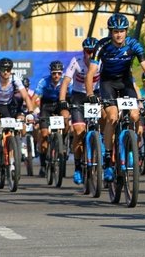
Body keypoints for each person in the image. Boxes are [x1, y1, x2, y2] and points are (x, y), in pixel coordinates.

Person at [85, 13, 145, 184]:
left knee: (135, 115)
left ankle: (131, 145)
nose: (118, 34)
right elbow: (91, 73)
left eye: (121, 31)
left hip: (126, 82)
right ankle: (107, 159)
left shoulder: (134, 45)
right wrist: (91, 94)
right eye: (115, 31)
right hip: (107, 83)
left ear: (126, 31)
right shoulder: (102, 45)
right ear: (110, 32)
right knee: (112, 117)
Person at [59, 37, 100, 185]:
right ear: (83, 51)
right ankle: (77, 167)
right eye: (88, 52)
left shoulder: (101, 61)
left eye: (93, 52)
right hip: (79, 97)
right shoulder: (76, 61)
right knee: (78, 130)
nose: (90, 54)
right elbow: (65, 82)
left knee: (108, 121)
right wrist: (63, 101)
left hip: (97, 94)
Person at [0, 58, 34, 161]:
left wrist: (31, 112)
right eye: (3, 69)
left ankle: (12, 156)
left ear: (11, 70)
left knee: (11, 128)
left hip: (8, 106)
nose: (6, 72)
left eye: (8, 69)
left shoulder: (15, 79)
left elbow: (26, 97)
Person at [35, 60, 71, 177]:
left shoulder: (66, 82)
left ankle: (63, 141)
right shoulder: (44, 81)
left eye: (59, 73)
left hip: (60, 105)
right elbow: (34, 96)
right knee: (44, 135)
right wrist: (31, 112)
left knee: (66, 117)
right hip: (46, 106)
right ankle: (43, 165)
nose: (56, 76)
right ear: (50, 73)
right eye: (54, 73)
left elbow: (73, 95)